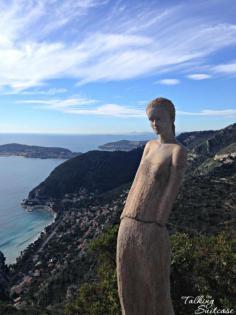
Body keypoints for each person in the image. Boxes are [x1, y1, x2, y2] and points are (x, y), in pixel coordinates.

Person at [116, 97, 188, 315]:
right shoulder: (149, 146)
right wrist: (125, 216)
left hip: (151, 227)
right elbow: (138, 180)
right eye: (151, 120)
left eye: (159, 118)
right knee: (126, 284)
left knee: (156, 289)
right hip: (128, 222)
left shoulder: (178, 151)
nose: (155, 124)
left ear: (171, 119)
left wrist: (157, 223)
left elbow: (171, 191)